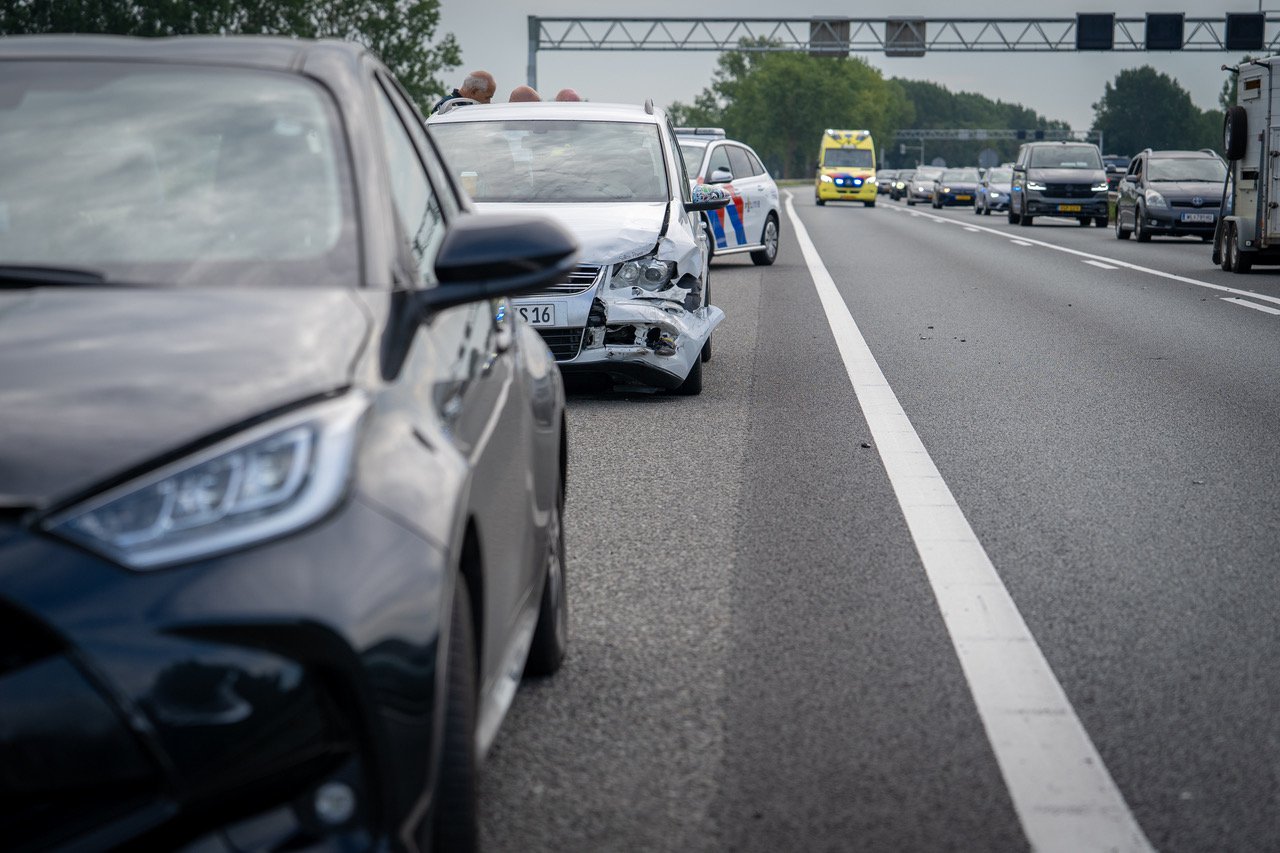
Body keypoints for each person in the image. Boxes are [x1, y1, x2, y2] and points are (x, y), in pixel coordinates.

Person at [431, 70, 496, 114]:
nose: (489, 103)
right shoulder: (447, 108)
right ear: (474, 91)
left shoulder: (469, 106)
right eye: (487, 97)